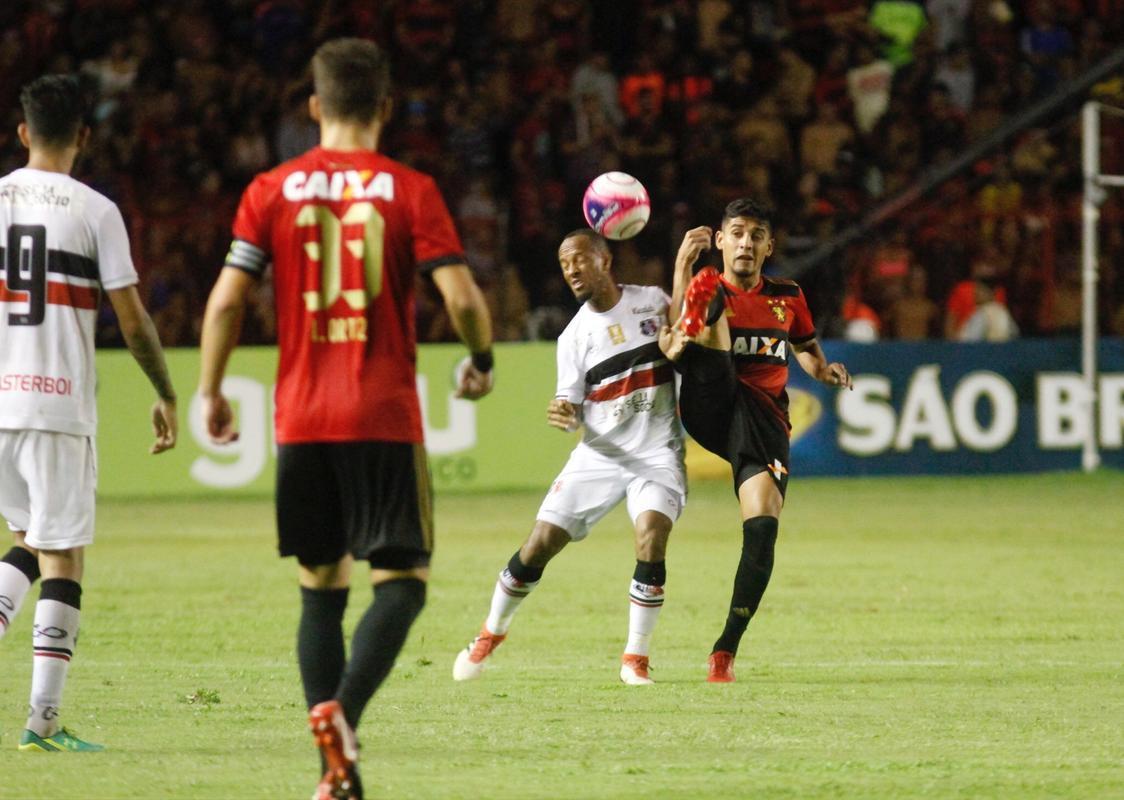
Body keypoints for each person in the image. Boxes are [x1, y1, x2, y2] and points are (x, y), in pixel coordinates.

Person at [197, 39, 494, 800]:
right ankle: (343, 714)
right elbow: (461, 297)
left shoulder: (270, 189)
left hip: (302, 418)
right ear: (386, 108)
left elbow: (228, 299)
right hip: (383, 415)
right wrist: (481, 355)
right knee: (403, 580)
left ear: (314, 108)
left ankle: (336, 770)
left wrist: (211, 389)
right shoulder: (410, 189)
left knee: (319, 585)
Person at [0, 73, 177, 751]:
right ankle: (42, 721)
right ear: (83, 136)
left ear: (23, 132)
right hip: (56, 403)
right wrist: (164, 389)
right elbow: (131, 319)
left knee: (28, 538)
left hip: (1, 402)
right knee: (63, 558)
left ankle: (41, 720)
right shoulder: (94, 210)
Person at [452, 229, 685, 686]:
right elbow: (571, 406)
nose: (572, 270)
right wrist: (564, 411)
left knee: (651, 535)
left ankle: (635, 658)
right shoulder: (573, 337)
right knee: (539, 544)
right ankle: (490, 633)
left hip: (657, 450)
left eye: (579, 259)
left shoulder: (652, 302)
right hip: (600, 454)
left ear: (605, 259)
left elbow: (686, 335)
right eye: (564, 265)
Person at [659, 198, 852, 683]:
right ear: (721, 241)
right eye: (737, 233)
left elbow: (806, 348)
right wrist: (684, 268)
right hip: (710, 400)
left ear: (769, 246)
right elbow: (673, 326)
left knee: (764, 525)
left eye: (756, 235)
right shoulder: (710, 284)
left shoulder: (788, 295)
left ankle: (725, 649)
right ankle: (691, 335)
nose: (746, 242)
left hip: (760, 420)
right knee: (709, 298)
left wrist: (823, 371)